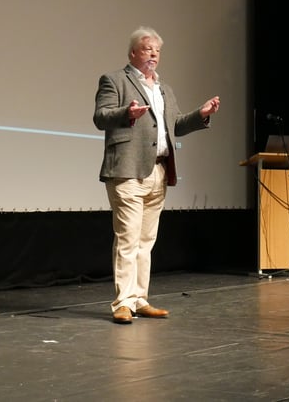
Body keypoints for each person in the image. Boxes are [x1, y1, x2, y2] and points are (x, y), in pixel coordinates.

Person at [93, 26, 221, 324]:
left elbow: (175, 125)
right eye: (147, 48)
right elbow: (101, 117)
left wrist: (200, 115)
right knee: (128, 238)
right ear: (133, 53)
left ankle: (139, 299)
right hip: (126, 170)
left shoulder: (164, 88)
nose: (153, 54)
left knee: (146, 240)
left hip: (158, 171)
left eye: (157, 50)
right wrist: (127, 112)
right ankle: (122, 303)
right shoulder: (114, 80)